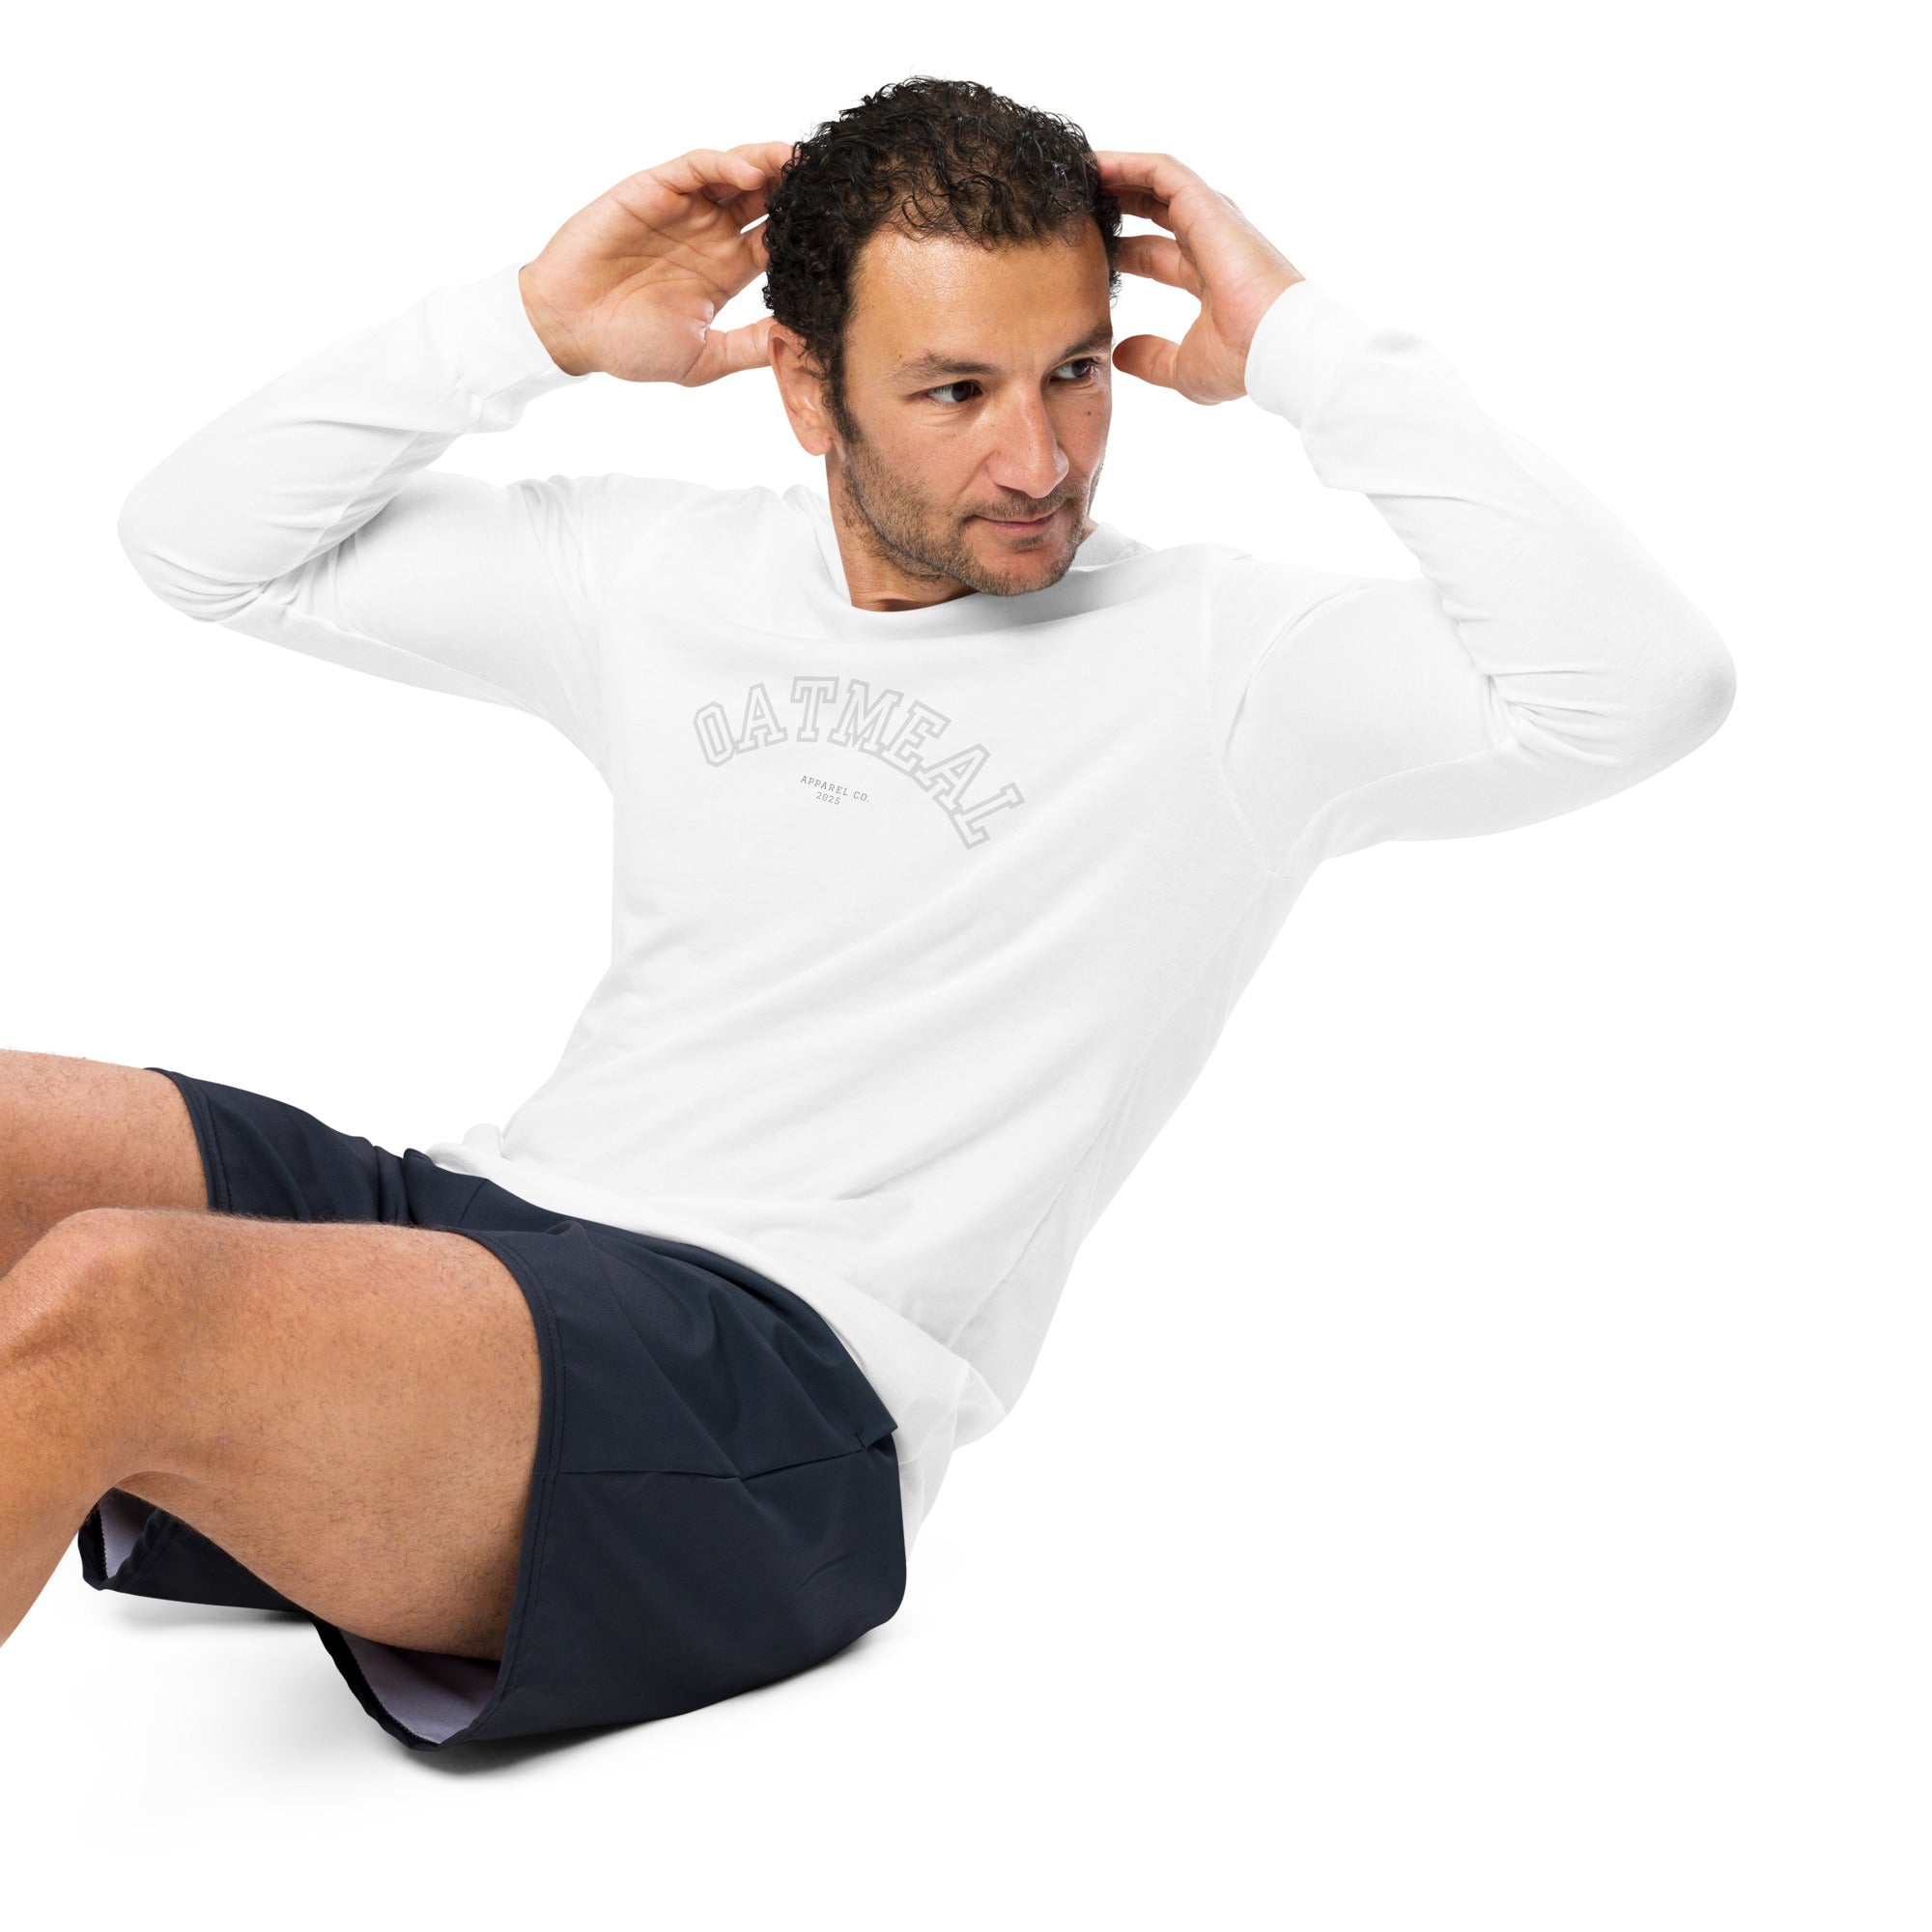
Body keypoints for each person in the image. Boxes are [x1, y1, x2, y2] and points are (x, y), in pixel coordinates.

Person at [0, 76, 1736, 1752]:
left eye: (1073, 371)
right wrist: (521, 323)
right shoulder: (655, 571)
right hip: (490, 1234)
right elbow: (201, 544)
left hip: (773, 1379)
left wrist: (1306, 352)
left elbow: (1646, 686)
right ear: (806, 389)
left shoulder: (1231, 669)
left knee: (110, 1297)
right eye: (955, 390)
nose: (1041, 456)